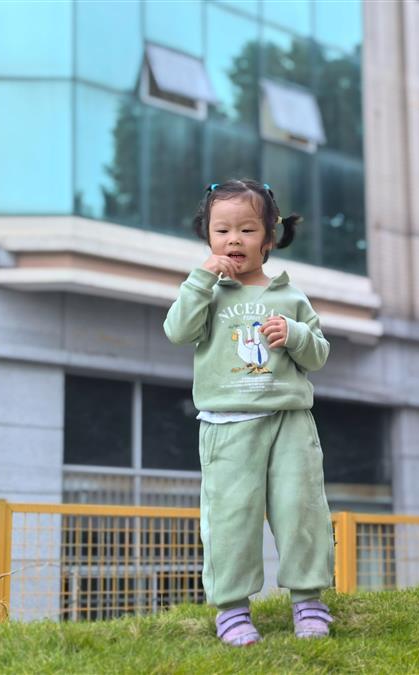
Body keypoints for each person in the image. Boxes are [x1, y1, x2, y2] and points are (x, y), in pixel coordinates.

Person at [164, 179, 335, 645]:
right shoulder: (206, 291)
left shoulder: (291, 295)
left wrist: (295, 334)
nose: (233, 240)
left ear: (269, 238)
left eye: (246, 229)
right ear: (208, 237)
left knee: (301, 511)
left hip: (289, 422)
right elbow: (177, 331)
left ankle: (309, 601)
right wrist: (200, 279)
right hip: (227, 424)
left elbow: (318, 354)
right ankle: (233, 610)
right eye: (222, 231)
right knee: (230, 518)